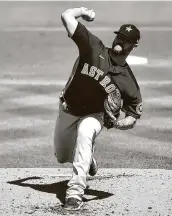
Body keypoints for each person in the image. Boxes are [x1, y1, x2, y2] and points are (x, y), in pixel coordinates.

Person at [54, 7, 143, 211]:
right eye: (119, 37)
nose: (120, 41)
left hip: (94, 115)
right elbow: (66, 16)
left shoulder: (128, 81)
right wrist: (82, 11)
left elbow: (133, 115)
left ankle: (75, 194)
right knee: (62, 157)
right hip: (68, 109)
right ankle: (89, 160)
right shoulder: (94, 48)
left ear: (134, 45)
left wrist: (118, 123)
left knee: (86, 132)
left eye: (126, 40)